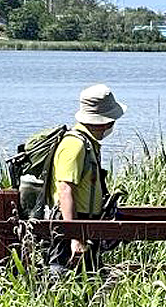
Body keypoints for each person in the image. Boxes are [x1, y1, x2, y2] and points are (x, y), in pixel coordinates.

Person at [47, 83, 127, 274]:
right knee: (60, 274)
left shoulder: (88, 143)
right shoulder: (75, 145)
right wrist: (74, 236)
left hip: (83, 222)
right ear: (106, 121)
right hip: (70, 222)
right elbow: (65, 189)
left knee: (88, 278)